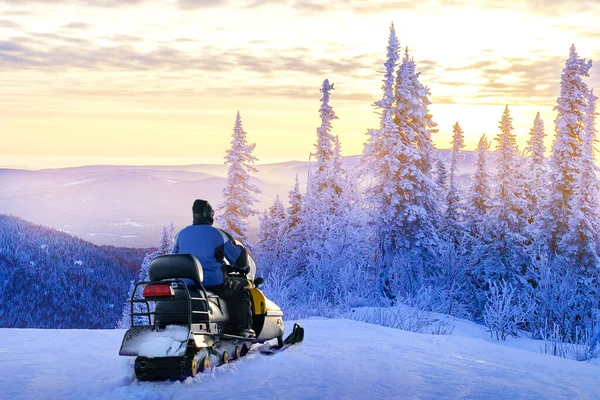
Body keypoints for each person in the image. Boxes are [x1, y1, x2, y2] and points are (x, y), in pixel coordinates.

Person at [172, 199, 255, 338]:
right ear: (209, 215)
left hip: (188, 286)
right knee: (240, 293)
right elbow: (239, 260)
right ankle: (242, 329)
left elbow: (175, 259)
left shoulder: (181, 235)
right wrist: (243, 261)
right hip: (213, 284)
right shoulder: (218, 235)